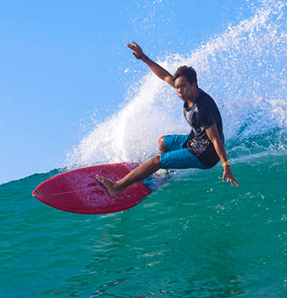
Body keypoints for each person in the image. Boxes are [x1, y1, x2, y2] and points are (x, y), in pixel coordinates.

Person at [96, 41, 239, 197]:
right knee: (162, 142)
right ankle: (165, 174)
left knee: (156, 160)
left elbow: (216, 140)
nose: (179, 91)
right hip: (195, 139)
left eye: (183, 86)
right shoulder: (187, 93)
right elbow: (165, 76)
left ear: (194, 84)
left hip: (204, 154)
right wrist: (144, 58)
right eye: (177, 87)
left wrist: (226, 165)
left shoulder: (202, 110)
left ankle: (117, 187)